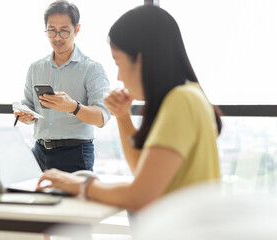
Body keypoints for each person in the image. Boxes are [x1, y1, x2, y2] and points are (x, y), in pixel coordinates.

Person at [36, 5, 223, 212]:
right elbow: (141, 171)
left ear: (141, 59)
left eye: (118, 63)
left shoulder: (181, 101)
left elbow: (139, 196)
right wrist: (122, 116)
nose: (119, 77)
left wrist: (80, 185)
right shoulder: (190, 94)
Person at [15, 1, 111, 173]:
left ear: (77, 30)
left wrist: (72, 107)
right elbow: (29, 106)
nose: (57, 37)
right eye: (51, 30)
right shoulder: (35, 68)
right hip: (38, 152)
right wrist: (26, 116)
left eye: (64, 31)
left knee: (72, 201)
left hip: (75, 154)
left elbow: (101, 117)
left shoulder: (92, 69)